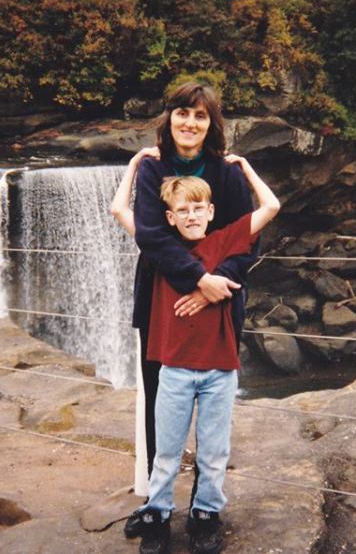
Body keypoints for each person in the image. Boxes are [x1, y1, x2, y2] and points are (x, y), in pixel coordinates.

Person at [111, 158, 280, 554]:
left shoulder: (225, 241)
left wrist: (246, 167)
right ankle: (159, 512)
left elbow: (270, 207)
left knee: (215, 451)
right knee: (166, 452)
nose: (191, 216)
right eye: (182, 211)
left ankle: (205, 514)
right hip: (173, 371)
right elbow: (119, 209)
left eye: (197, 209)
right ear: (169, 217)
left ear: (211, 212)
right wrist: (135, 164)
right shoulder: (161, 252)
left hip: (221, 371)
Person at [120, 82, 258, 541]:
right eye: (182, 113)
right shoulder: (152, 169)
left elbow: (246, 240)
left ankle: (204, 511)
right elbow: (151, 235)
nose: (190, 123)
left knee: (214, 421)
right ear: (169, 118)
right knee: (162, 406)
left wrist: (212, 288)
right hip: (162, 303)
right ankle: (158, 508)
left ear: (210, 124)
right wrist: (196, 281)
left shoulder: (227, 173)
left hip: (219, 305)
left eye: (200, 116)